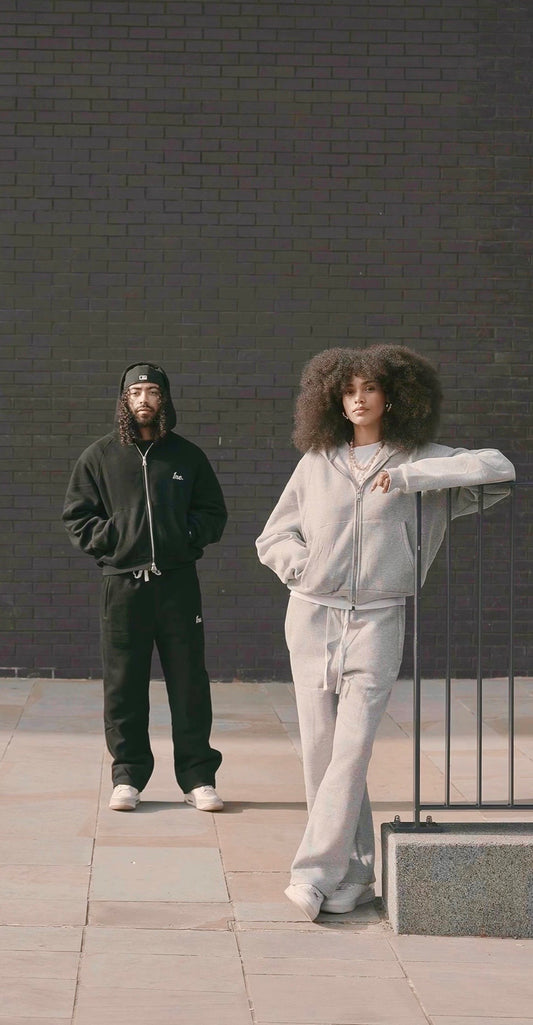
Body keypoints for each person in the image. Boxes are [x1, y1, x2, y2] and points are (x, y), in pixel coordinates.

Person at [256, 345, 515, 921]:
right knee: (321, 752)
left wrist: (408, 478)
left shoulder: (421, 459)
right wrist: (304, 568)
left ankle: (311, 875)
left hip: (378, 617)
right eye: (348, 390)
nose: (358, 399)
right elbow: (273, 536)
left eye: (369, 388)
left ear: (392, 396)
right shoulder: (318, 461)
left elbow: (499, 469)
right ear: (333, 399)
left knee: (351, 750)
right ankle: (353, 875)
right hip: (312, 615)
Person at [63, 362, 227, 813]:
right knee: (124, 686)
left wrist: (184, 536)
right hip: (123, 587)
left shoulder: (187, 456)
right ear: (124, 400)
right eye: (135, 392)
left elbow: (213, 513)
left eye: (152, 391)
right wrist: (114, 541)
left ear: (164, 399)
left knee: (189, 684)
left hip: (177, 585)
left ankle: (198, 778)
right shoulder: (98, 456)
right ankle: (128, 777)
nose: (143, 399)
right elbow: (77, 517)